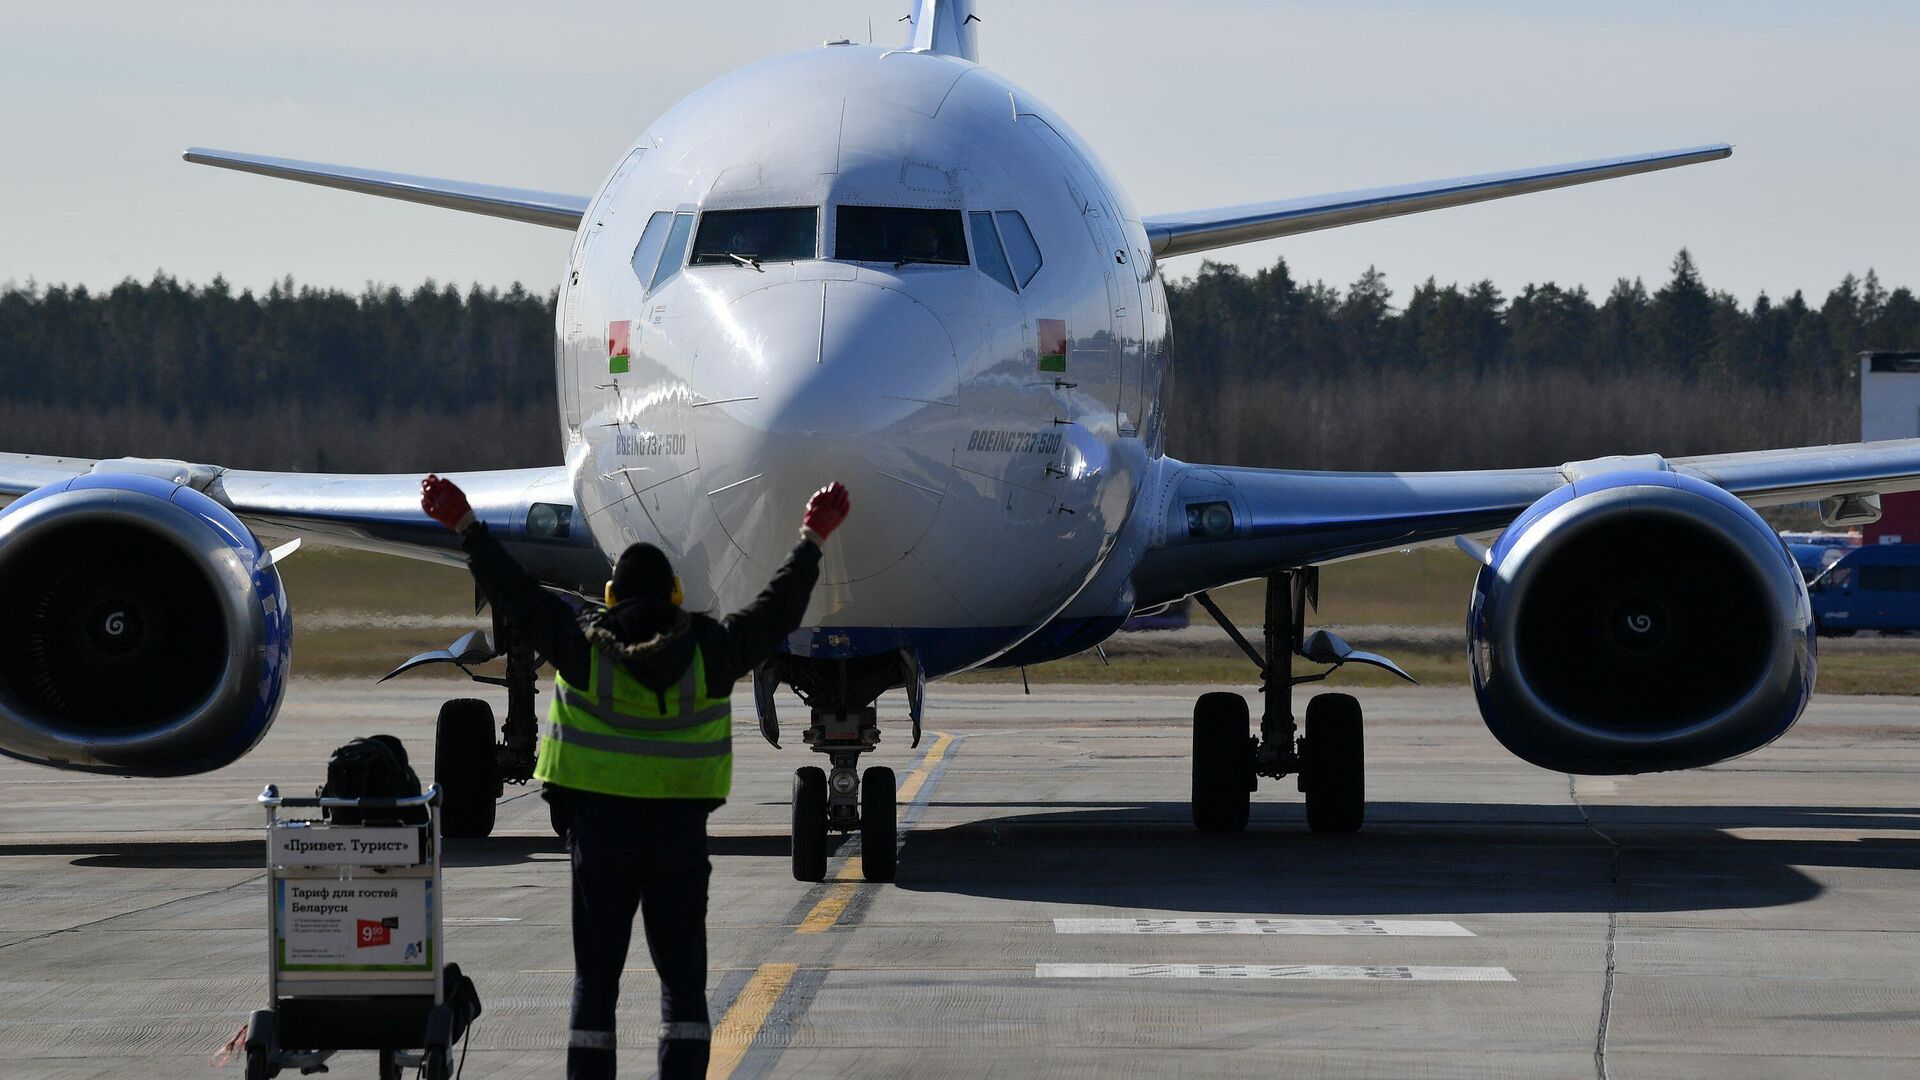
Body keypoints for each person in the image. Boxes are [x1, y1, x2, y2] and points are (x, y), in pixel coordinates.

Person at [419, 474, 851, 1080]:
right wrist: (812, 538)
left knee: (595, 992)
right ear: (677, 596)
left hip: (599, 842)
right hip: (678, 841)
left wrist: (465, 525)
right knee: (684, 994)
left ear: (610, 596)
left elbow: (518, 596)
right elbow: (774, 613)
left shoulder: (584, 650)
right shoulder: (709, 652)